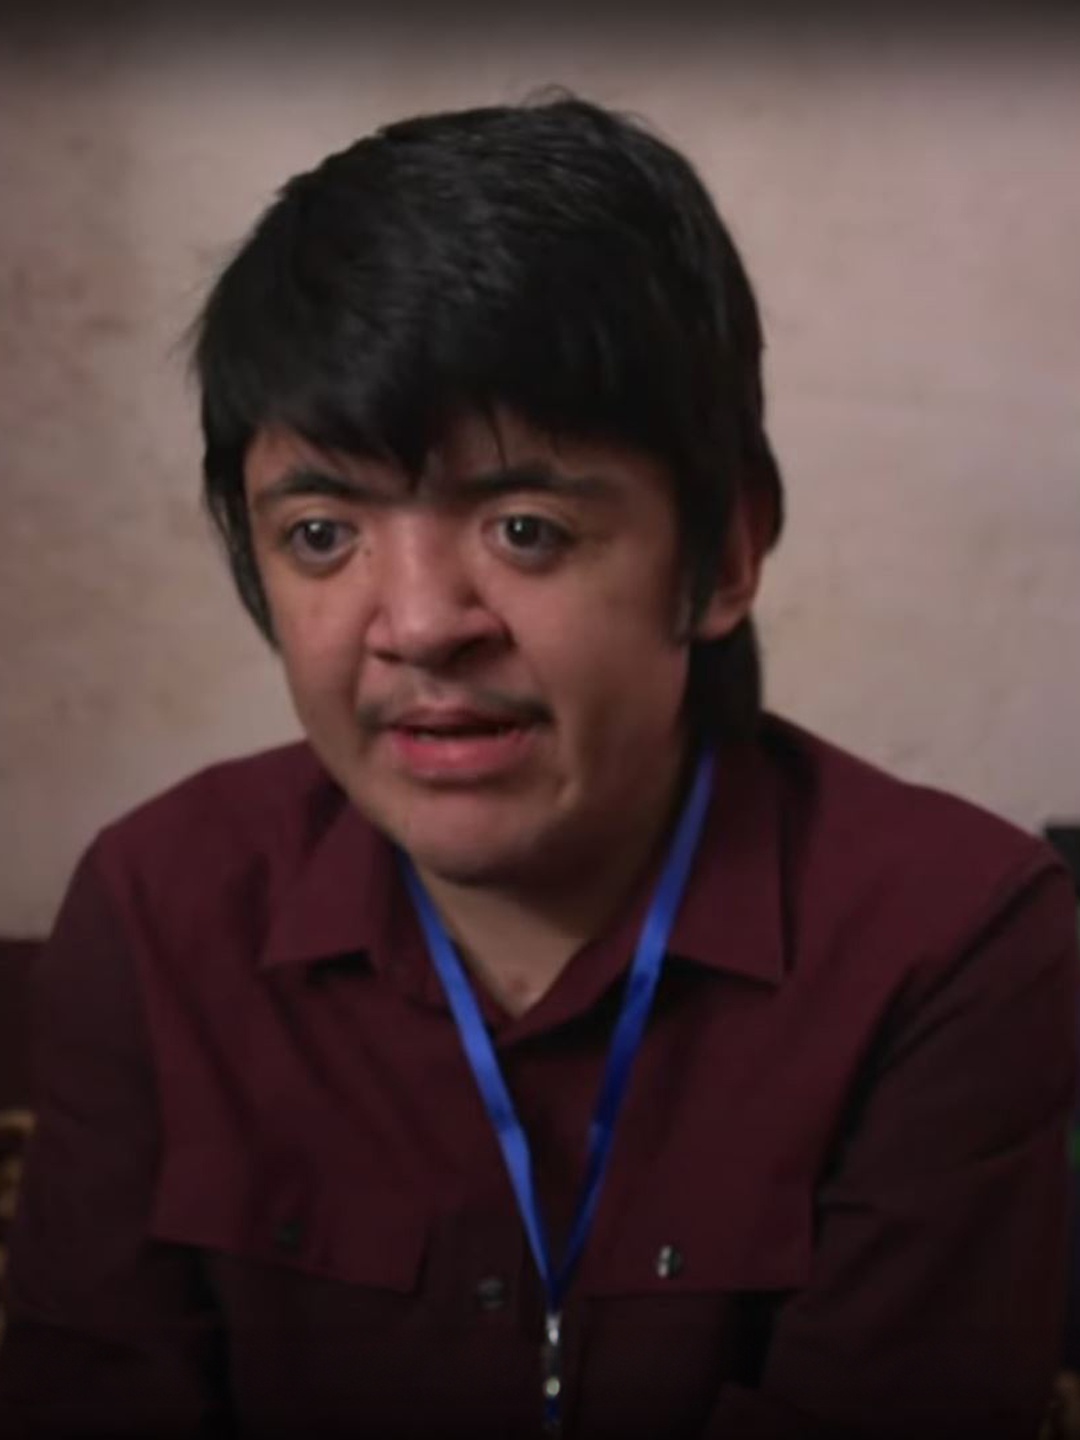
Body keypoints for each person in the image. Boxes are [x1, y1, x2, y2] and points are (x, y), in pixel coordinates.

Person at [0, 94, 1075, 1440]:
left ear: (724, 554)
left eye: (524, 527)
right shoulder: (159, 908)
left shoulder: (954, 938)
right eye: (323, 534)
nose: (417, 626)